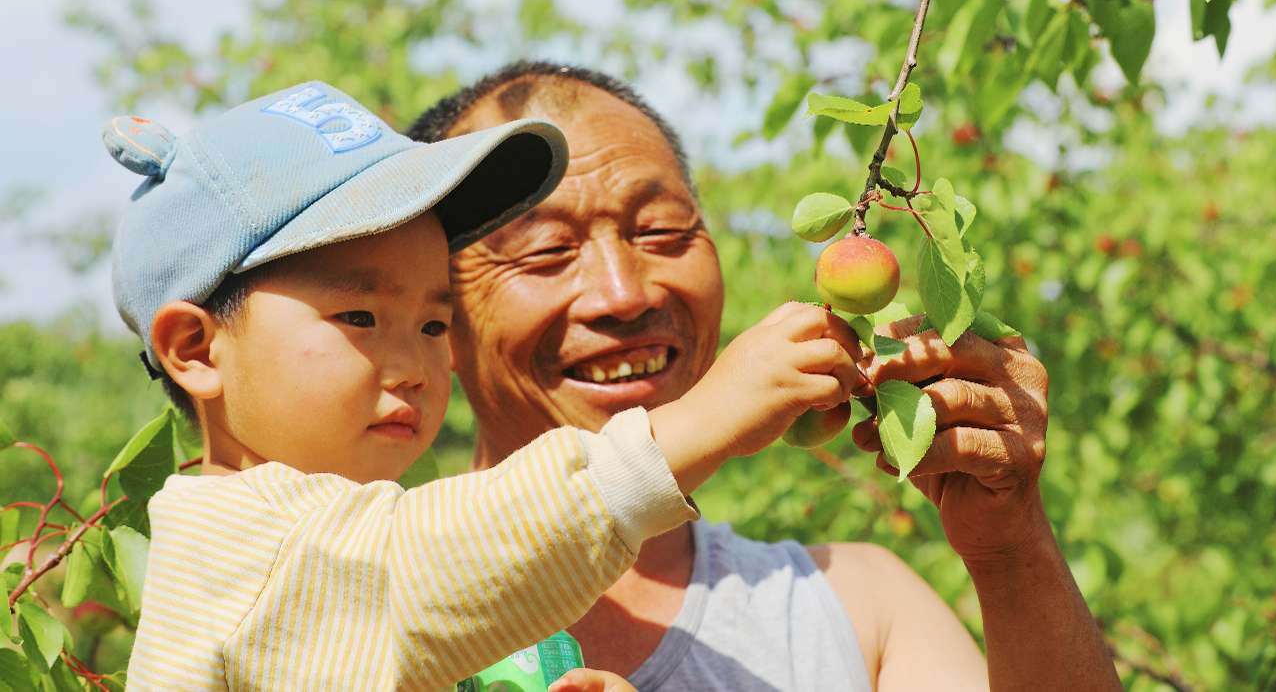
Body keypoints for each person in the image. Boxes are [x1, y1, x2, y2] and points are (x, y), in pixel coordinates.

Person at [107, 81, 864, 690]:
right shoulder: (240, 544)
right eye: (360, 314)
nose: (414, 363)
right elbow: (435, 558)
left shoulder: (329, 557)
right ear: (195, 347)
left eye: (436, 325)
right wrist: (706, 418)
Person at [410, 61, 1123, 691]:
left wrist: (1010, 546)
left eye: (661, 231)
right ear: (430, 318)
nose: (625, 293)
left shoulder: (854, 607)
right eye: (545, 252)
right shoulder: (358, 577)